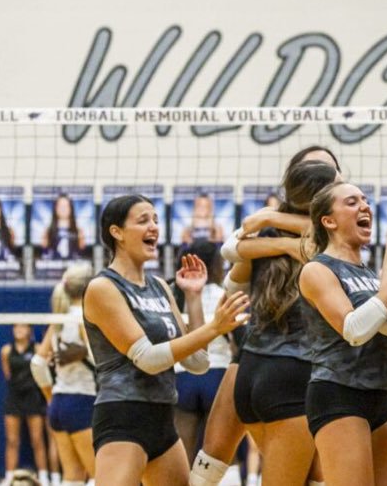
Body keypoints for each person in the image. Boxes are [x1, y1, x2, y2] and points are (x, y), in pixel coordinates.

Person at [192, 146, 341, 486]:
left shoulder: (275, 231)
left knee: (211, 465)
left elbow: (233, 254)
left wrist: (271, 218)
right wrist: (284, 242)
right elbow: (232, 257)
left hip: (252, 366)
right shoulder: (331, 234)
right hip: (295, 370)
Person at [84, 194, 248, 486]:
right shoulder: (103, 287)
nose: (154, 228)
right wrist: (215, 328)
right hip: (124, 416)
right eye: (143, 220)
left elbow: (197, 363)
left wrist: (194, 298)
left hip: (163, 418)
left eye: (156, 220)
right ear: (117, 232)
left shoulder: (160, 286)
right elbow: (147, 359)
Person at [299, 182, 387, 486]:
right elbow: (353, 330)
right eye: (352, 202)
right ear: (328, 221)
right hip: (337, 393)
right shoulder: (317, 270)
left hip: (378, 394)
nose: (365, 207)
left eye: (366, 201)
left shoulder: (370, 276)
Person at [32, 265, 97, 486]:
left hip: (59, 403)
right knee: (101, 475)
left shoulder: (59, 320)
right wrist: (86, 352)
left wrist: (50, 396)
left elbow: (38, 364)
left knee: (72, 477)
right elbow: (102, 362)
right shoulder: (84, 319)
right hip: (82, 401)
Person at [170, 242, 232, 465]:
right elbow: (237, 339)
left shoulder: (173, 295)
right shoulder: (224, 294)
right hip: (217, 377)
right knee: (220, 455)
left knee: (182, 454)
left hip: (182, 376)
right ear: (214, 264)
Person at [3, 321, 49, 484]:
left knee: (37, 439)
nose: (19, 330)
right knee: (12, 440)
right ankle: (9, 478)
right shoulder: (6, 350)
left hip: (33, 398)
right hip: (14, 398)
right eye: (16, 326)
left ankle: (44, 478)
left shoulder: (37, 349)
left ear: (29, 330)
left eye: (22, 326)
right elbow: (8, 373)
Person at [42, 194, 85, 261]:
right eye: (61, 206)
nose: (63, 209)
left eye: (66, 206)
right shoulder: (48, 231)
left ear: (71, 208)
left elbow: (81, 253)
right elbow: (45, 253)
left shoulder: (78, 230)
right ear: (56, 208)